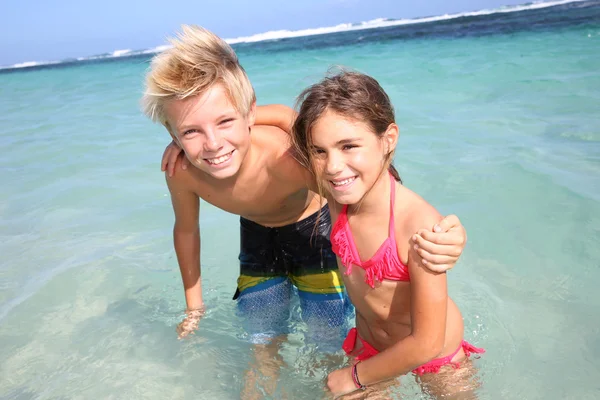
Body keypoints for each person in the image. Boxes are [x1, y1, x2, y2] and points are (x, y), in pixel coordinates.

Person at [143, 25, 467, 349]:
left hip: (312, 228)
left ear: (250, 114)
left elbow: (373, 194)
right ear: (173, 135)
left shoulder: (285, 162)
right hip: (257, 233)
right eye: (191, 132)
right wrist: (193, 305)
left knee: (325, 335)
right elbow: (186, 231)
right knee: (261, 333)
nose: (213, 144)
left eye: (226, 122)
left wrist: (443, 234)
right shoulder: (181, 171)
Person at [290, 70, 484, 398]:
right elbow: (284, 126)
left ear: (388, 139)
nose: (333, 165)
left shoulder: (419, 227)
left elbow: (426, 342)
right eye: (319, 151)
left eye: (349, 146)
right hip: (372, 346)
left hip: (435, 355)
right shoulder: (337, 194)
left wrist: (355, 375)